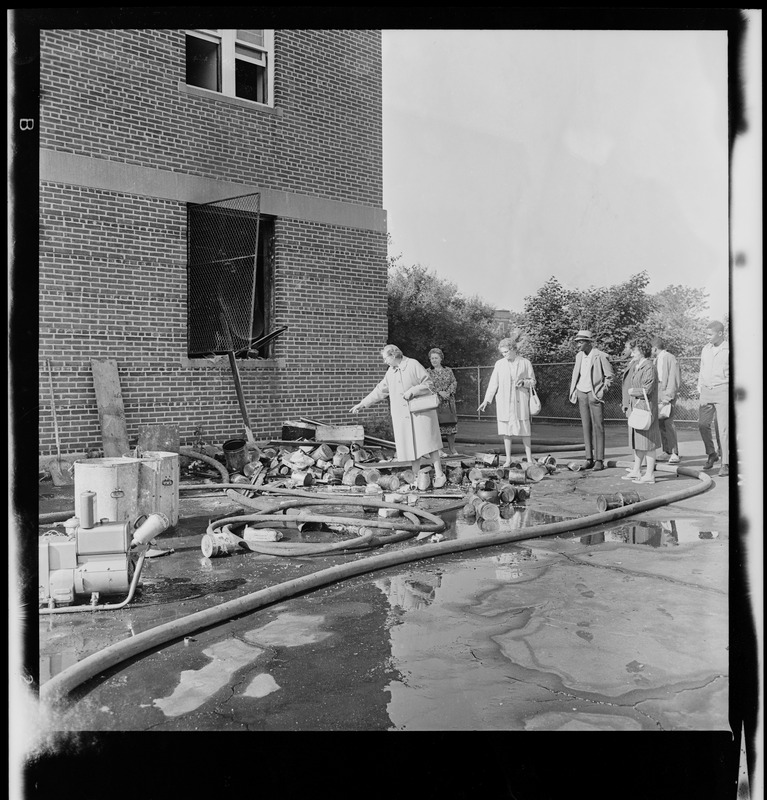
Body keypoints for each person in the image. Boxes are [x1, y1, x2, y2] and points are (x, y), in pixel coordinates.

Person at [350, 344, 446, 488]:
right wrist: (362, 404)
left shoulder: (412, 364)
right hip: (404, 416)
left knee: (429, 443)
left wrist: (413, 391)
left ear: (394, 355)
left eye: (385, 358)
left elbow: (429, 384)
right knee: (413, 446)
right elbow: (380, 390)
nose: (384, 361)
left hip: (421, 412)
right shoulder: (391, 372)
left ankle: (439, 474)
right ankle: (415, 476)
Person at [478, 337, 536, 467]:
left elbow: (533, 381)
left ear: (514, 349)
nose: (504, 355)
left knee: (525, 429)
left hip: (520, 399)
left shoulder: (525, 363)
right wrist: (486, 400)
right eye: (502, 353)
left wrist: (523, 382)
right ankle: (508, 459)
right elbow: (493, 383)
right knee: (506, 431)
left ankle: (529, 459)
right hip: (504, 400)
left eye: (506, 352)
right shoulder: (499, 364)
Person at [568, 330, 614, 471]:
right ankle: (589, 458)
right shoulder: (578, 356)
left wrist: (600, 392)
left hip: (594, 395)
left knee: (598, 427)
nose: (578, 345)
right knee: (586, 427)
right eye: (577, 342)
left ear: (588, 342)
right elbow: (577, 374)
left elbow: (610, 376)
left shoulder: (600, 356)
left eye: (580, 342)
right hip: (582, 393)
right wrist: (575, 390)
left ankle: (599, 460)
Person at [621, 337, 662, 484]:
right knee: (638, 441)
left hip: (645, 408)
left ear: (642, 351)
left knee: (648, 442)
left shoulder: (649, 366)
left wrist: (632, 391)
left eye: (635, 351)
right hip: (637, 408)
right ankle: (637, 470)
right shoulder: (640, 365)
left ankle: (649, 474)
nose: (632, 354)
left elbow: (647, 389)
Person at [697, 320, 729, 477]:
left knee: (722, 429)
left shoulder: (729, 349)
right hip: (706, 392)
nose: (706, 337)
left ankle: (725, 463)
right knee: (702, 424)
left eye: (710, 334)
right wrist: (700, 388)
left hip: (723, 390)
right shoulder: (705, 349)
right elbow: (702, 369)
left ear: (720, 334)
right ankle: (712, 453)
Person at [652, 336, 682, 464]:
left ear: (654, 348)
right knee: (661, 423)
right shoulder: (656, 359)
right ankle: (667, 451)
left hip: (666, 393)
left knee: (668, 422)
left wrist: (667, 397)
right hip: (657, 392)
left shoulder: (669, 358)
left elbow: (674, 379)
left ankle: (674, 452)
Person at [427, 347, 459, 456]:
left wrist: (448, 392)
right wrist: (439, 392)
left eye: (436, 358)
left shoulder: (448, 370)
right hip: (435, 402)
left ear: (441, 358)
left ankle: (452, 449)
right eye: (432, 358)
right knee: (437, 427)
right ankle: (439, 450)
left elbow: (454, 382)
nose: (434, 360)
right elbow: (427, 385)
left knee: (450, 427)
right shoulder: (427, 372)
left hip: (448, 402)